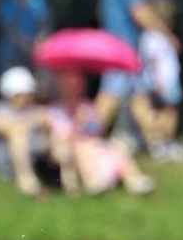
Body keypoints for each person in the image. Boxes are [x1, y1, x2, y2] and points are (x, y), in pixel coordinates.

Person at [49, 69, 152, 197]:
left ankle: (133, 179)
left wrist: (87, 121)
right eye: (71, 85)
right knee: (82, 147)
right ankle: (93, 181)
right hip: (73, 147)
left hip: (93, 144)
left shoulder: (85, 105)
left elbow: (98, 128)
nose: (74, 89)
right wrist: (77, 124)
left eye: (77, 85)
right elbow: (61, 135)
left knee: (117, 146)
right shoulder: (56, 110)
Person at [96, 0, 152, 136]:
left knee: (139, 95)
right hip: (121, 47)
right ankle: (89, 136)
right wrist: (167, 34)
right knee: (110, 95)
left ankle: (155, 142)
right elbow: (140, 12)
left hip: (122, 45)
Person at [0, 66, 54, 197]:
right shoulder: (0, 109)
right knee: (18, 137)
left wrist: (46, 124)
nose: (26, 98)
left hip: (38, 156)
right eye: (21, 95)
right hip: (7, 160)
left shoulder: (35, 109)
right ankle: (27, 183)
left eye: (29, 94)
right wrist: (32, 121)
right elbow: (5, 128)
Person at [132, 22, 183, 161]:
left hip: (169, 80)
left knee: (169, 113)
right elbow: (153, 60)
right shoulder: (151, 36)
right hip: (161, 82)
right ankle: (158, 143)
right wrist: (157, 80)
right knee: (160, 113)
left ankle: (166, 142)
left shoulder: (161, 35)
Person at [0, 0, 50, 84]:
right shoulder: (8, 1)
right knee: (11, 85)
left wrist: (39, 42)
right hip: (10, 53)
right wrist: (23, 43)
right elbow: (6, 27)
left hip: (35, 52)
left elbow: (44, 25)